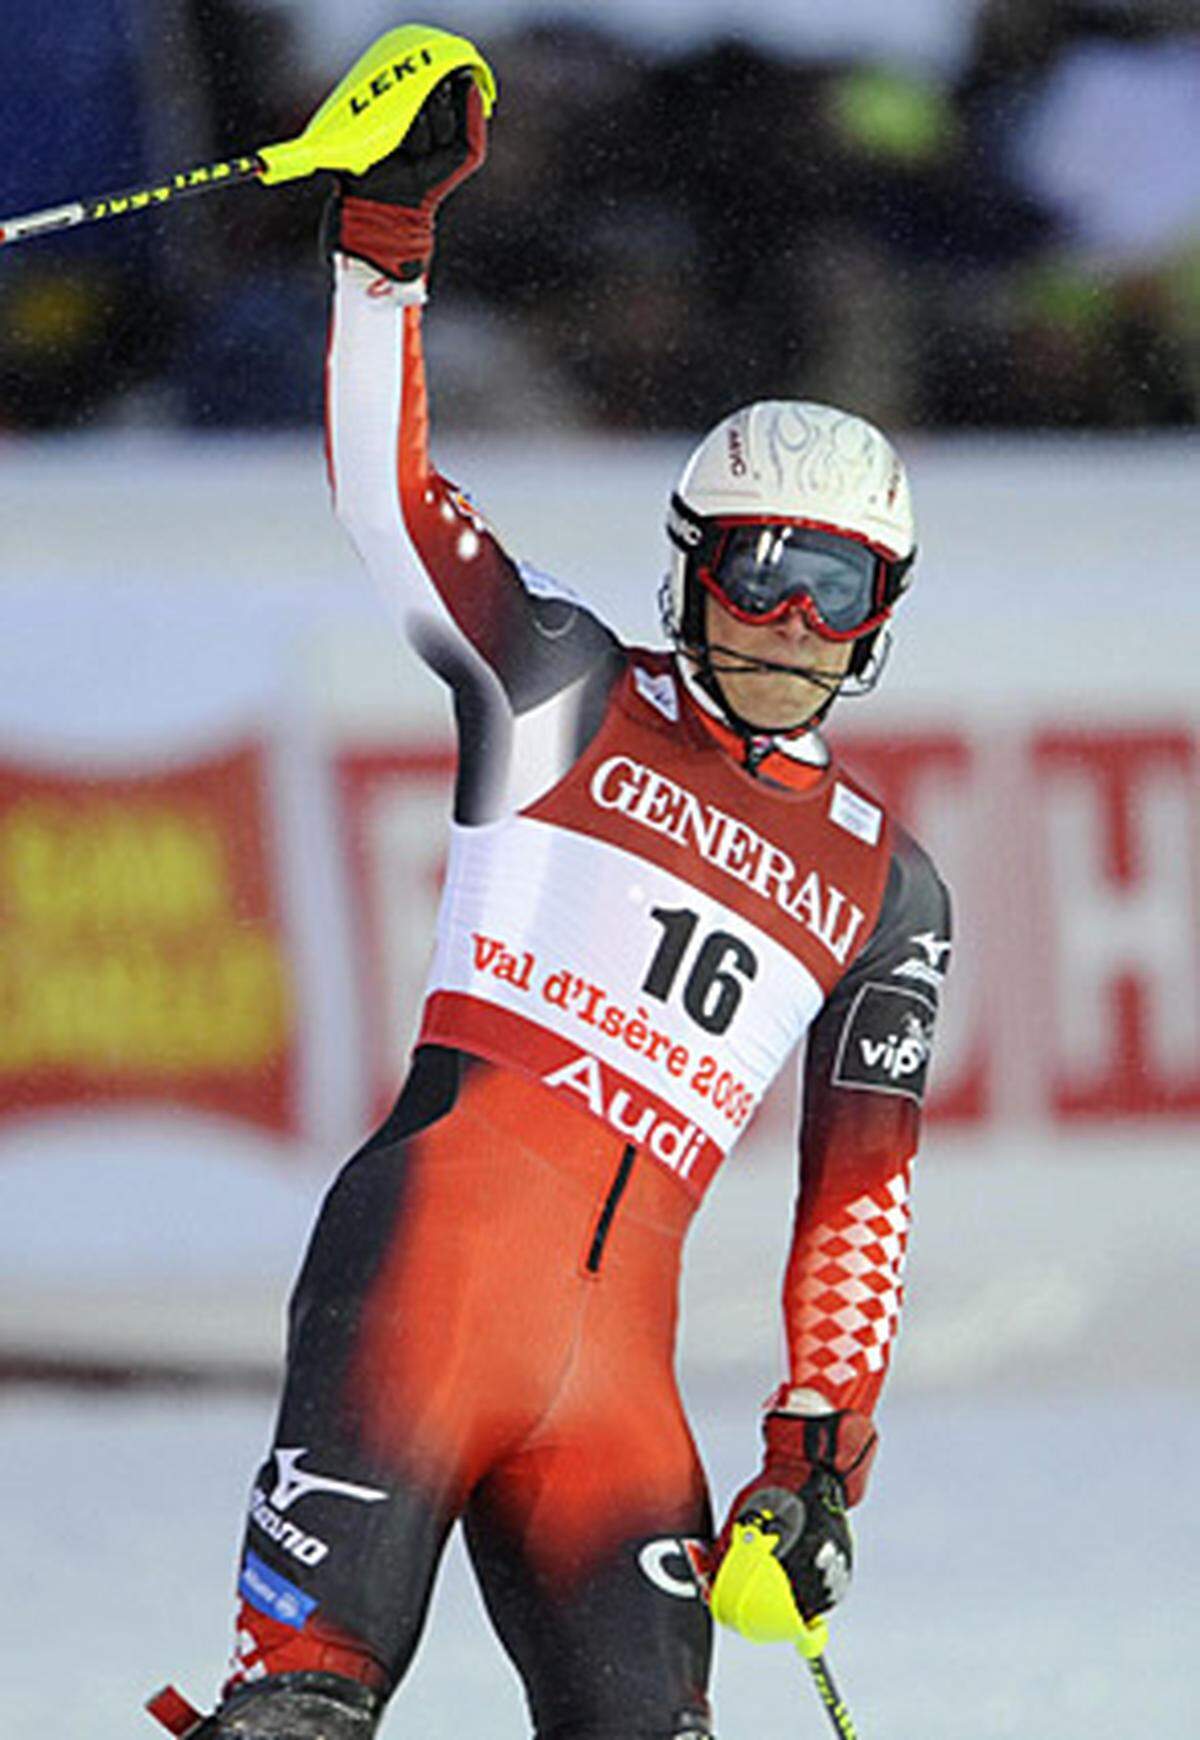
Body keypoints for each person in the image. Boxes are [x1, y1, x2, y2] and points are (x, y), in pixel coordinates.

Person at [150, 57, 951, 1740]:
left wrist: (817, 1454)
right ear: (691, 565)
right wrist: (387, 240)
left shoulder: (888, 882)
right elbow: (389, 506)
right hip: (429, 1277)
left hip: (618, 1397)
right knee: (298, 1713)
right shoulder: (564, 684)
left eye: (837, 589)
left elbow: (858, 1201)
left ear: (881, 618)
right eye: (758, 570)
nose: (789, 625)